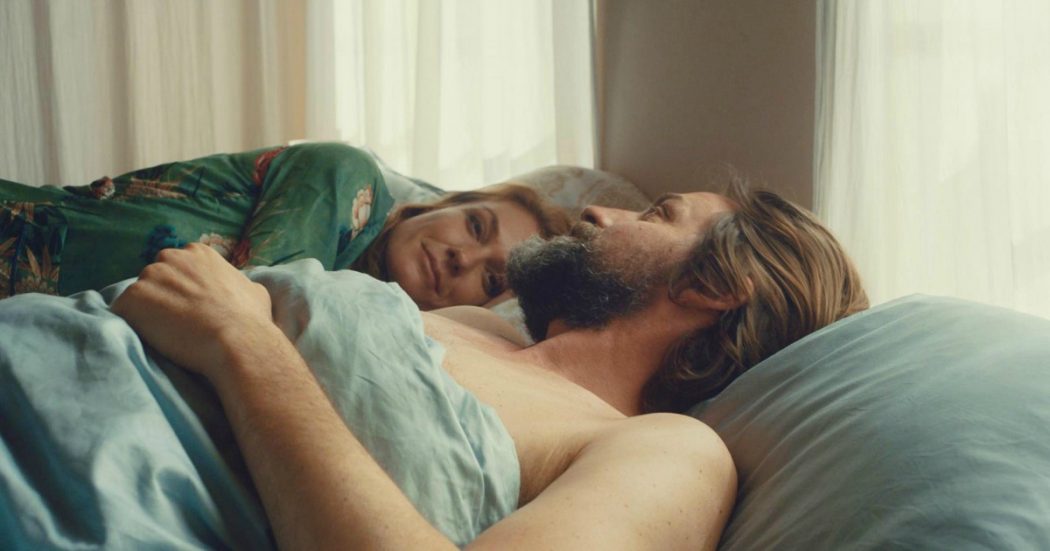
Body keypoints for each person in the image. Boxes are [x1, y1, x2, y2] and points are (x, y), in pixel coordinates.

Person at [112, 176, 867, 549]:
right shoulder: (480, 324)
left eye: (656, 215)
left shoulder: (669, 452)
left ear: (715, 284)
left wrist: (241, 342)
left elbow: (247, 340)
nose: (598, 213)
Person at [0, 142, 571, 308]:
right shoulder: (351, 178)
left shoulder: (360, 313)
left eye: (491, 279)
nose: (462, 257)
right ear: (439, 205)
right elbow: (249, 303)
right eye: (475, 227)